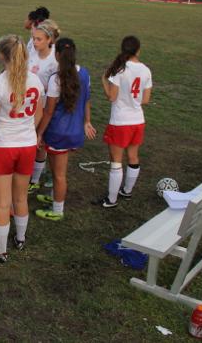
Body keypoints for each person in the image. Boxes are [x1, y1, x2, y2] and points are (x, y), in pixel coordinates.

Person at [0, 35, 43, 263]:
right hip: (26, 145)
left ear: (2, 56)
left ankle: (1, 250)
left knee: (3, 202)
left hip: (4, 145)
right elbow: (39, 113)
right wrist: (27, 130)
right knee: (21, 197)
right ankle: (20, 239)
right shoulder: (35, 79)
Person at [35, 38, 96, 220]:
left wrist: (39, 133)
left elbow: (48, 111)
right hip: (75, 131)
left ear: (57, 55)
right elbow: (86, 100)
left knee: (58, 174)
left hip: (58, 132)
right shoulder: (84, 73)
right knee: (59, 172)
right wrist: (87, 121)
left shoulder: (56, 79)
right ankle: (55, 197)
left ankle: (57, 211)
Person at [95, 36, 152, 208]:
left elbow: (112, 97)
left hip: (120, 121)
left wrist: (104, 82)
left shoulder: (119, 70)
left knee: (116, 160)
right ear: (138, 50)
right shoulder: (146, 70)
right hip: (138, 120)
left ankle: (111, 199)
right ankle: (127, 191)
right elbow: (145, 100)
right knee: (133, 156)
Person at [27, 20, 60, 194]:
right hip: (28, 104)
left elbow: (56, 86)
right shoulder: (32, 51)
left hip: (45, 107)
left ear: (49, 40)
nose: (35, 42)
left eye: (39, 39)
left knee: (40, 143)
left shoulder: (55, 59)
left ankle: (35, 179)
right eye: (34, 38)